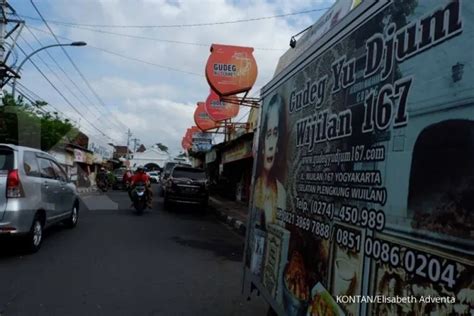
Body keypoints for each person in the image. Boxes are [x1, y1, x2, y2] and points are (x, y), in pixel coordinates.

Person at [253, 94, 287, 229]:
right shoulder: (255, 186)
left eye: (275, 134)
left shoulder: (281, 193)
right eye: (268, 134)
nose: (271, 145)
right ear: (262, 141)